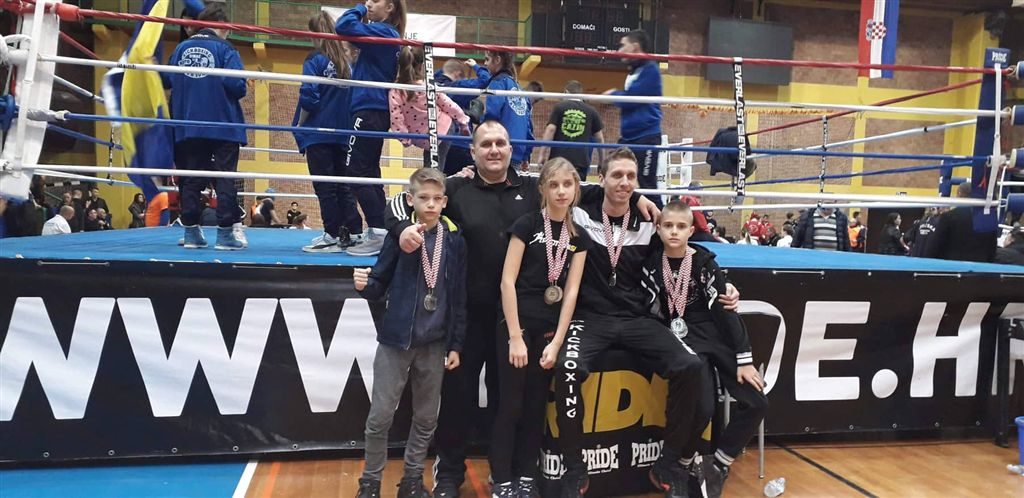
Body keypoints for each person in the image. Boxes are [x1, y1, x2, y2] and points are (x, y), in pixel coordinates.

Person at [385, 122, 660, 498]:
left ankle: (509, 474)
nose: (494, 149)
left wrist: (638, 196)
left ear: (511, 149)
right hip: (469, 315)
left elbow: (590, 188)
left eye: (500, 143)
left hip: (514, 317)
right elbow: (401, 201)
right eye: (486, 144)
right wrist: (401, 228)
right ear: (473, 151)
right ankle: (449, 474)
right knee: (458, 398)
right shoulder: (456, 186)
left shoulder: (532, 188)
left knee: (508, 401)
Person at [555, 148, 732, 497]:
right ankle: (574, 469)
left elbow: (684, 246)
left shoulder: (649, 221)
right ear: (601, 178)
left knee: (690, 365)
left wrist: (723, 281)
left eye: (631, 177)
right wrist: (635, 196)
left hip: (636, 319)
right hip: (591, 318)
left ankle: (668, 463)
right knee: (567, 369)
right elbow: (557, 183)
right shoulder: (580, 209)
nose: (624, 182)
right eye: (616, 175)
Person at [352, 167, 466, 498]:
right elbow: (379, 282)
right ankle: (370, 482)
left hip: (435, 343)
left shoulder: (455, 241)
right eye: (423, 198)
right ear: (411, 200)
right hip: (396, 342)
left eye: (436, 199)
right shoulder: (399, 236)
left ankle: (412, 480)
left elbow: (459, 296)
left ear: (444, 202)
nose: (430, 204)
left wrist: (455, 343)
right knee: (380, 416)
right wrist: (364, 285)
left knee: (427, 418)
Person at [642, 201, 768, 498]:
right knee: (703, 409)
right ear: (658, 228)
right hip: (678, 338)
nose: (674, 232)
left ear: (691, 230)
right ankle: (684, 464)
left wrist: (744, 358)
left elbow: (726, 310)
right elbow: (648, 310)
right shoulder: (651, 265)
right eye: (668, 226)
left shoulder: (703, 262)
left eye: (681, 226)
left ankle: (718, 465)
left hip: (714, 334)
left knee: (757, 402)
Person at [490, 158, 592, 498]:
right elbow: (506, 282)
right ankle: (501, 478)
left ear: (576, 189)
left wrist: (557, 343)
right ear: (543, 189)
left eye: (567, 184)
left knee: (535, 406)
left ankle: (526, 475)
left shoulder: (578, 238)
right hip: (516, 326)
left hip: (548, 332)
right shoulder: (527, 224)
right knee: (511, 405)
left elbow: (571, 293)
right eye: (554, 185)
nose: (561, 191)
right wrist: (515, 337)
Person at [166, 4, 247, 250]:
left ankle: (191, 233)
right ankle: (225, 235)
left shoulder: (180, 48)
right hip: (222, 124)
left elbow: (169, 80)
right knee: (224, 178)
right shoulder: (225, 48)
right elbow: (238, 87)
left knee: (191, 177)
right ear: (221, 25)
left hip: (190, 125)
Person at [335, 0, 406, 257]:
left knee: (356, 171)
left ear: (390, 7)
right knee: (369, 172)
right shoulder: (386, 33)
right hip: (372, 109)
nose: (369, 3)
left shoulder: (384, 32)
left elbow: (343, 26)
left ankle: (378, 231)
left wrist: (360, 8)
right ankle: (381, 230)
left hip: (369, 109)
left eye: (375, 0)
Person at [294, 12, 362, 253]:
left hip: (319, 132)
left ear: (314, 34)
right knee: (343, 186)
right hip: (343, 132)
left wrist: (299, 125)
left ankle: (332, 234)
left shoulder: (315, 58)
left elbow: (309, 96)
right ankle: (353, 232)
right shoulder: (347, 62)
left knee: (326, 188)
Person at [604, 29, 663, 207]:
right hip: (629, 137)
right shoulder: (635, 71)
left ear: (635, 47)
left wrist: (612, 94)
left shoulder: (650, 70)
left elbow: (632, 99)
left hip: (646, 136)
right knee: (614, 172)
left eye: (623, 46)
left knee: (646, 183)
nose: (619, 50)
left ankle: (661, 221)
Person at [389, 46, 470, 171]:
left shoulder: (396, 91)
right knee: (433, 168)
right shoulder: (427, 86)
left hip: (431, 134)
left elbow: (396, 118)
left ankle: (434, 182)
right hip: (441, 129)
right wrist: (463, 122)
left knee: (433, 169)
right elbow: (448, 104)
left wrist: (405, 139)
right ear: (422, 66)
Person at [537, 80, 605, 181]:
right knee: (578, 189)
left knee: (557, 188)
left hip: (558, 161)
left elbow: (550, 129)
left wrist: (541, 154)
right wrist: (602, 161)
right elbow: (599, 138)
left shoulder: (559, 107)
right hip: (581, 162)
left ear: (566, 92)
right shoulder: (591, 111)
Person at [435, 58, 491, 174]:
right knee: (470, 179)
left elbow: (443, 72)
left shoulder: (433, 85)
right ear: (457, 74)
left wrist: (450, 67)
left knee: (436, 179)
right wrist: (475, 66)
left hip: (436, 141)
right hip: (458, 144)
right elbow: (485, 79)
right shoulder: (457, 87)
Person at [482, 50, 534, 171]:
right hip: (517, 151)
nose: (485, 64)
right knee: (511, 183)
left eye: (487, 59)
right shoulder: (520, 90)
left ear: (497, 60)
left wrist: (479, 136)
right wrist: (526, 155)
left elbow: (492, 114)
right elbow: (529, 127)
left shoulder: (498, 83)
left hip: (499, 149)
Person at [924, 183, 997, 263]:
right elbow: (992, 250)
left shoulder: (948, 217)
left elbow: (935, 247)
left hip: (952, 266)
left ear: (959, 194)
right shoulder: (988, 220)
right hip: (980, 266)